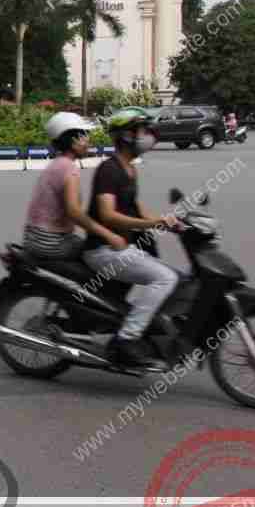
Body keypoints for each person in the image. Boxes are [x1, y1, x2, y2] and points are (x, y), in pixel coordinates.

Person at [81, 107, 180, 372]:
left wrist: (169, 221)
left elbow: (134, 206)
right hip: (103, 249)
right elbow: (108, 215)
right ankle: (126, 339)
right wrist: (153, 223)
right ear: (127, 136)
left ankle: (136, 327)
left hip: (121, 247)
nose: (148, 136)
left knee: (168, 273)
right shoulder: (109, 170)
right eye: (142, 131)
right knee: (164, 278)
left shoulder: (129, 170)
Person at [23, 113, 122, 260]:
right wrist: (109, 235)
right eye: (86, 136)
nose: (90, 142)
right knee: (105, 256)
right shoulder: (69, 168)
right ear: (74, 140)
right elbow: (74, 212)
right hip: (52, 242)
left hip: (32, 238)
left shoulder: (56, 164)